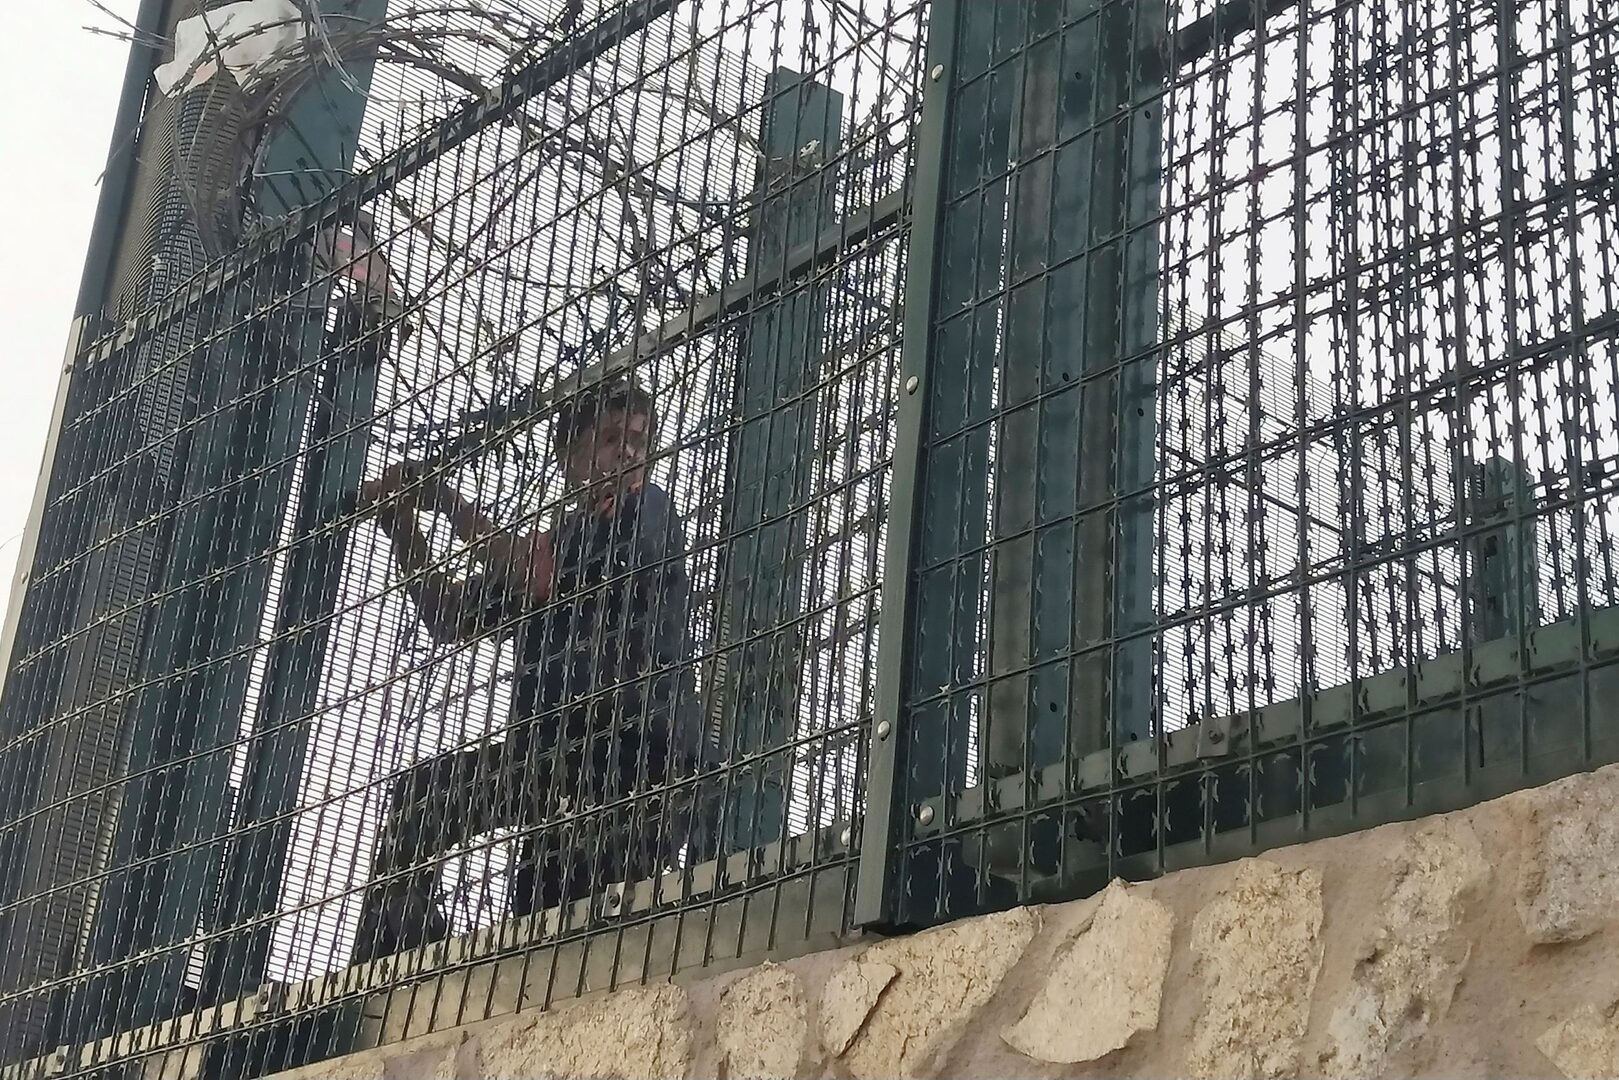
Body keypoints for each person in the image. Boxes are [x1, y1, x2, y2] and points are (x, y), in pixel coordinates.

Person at [351, 377, 699, 961]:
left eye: (640, 441)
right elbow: (450, 616)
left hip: (635, 764)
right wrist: (400, 524)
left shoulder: (647, 511)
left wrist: (448, 503)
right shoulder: (566, 535)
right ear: (571, 460)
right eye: (612, 438)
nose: (629, 452)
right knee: (432, 805)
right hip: (556, 763)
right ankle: (398, 956)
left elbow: (534, 571)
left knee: (580, 918)